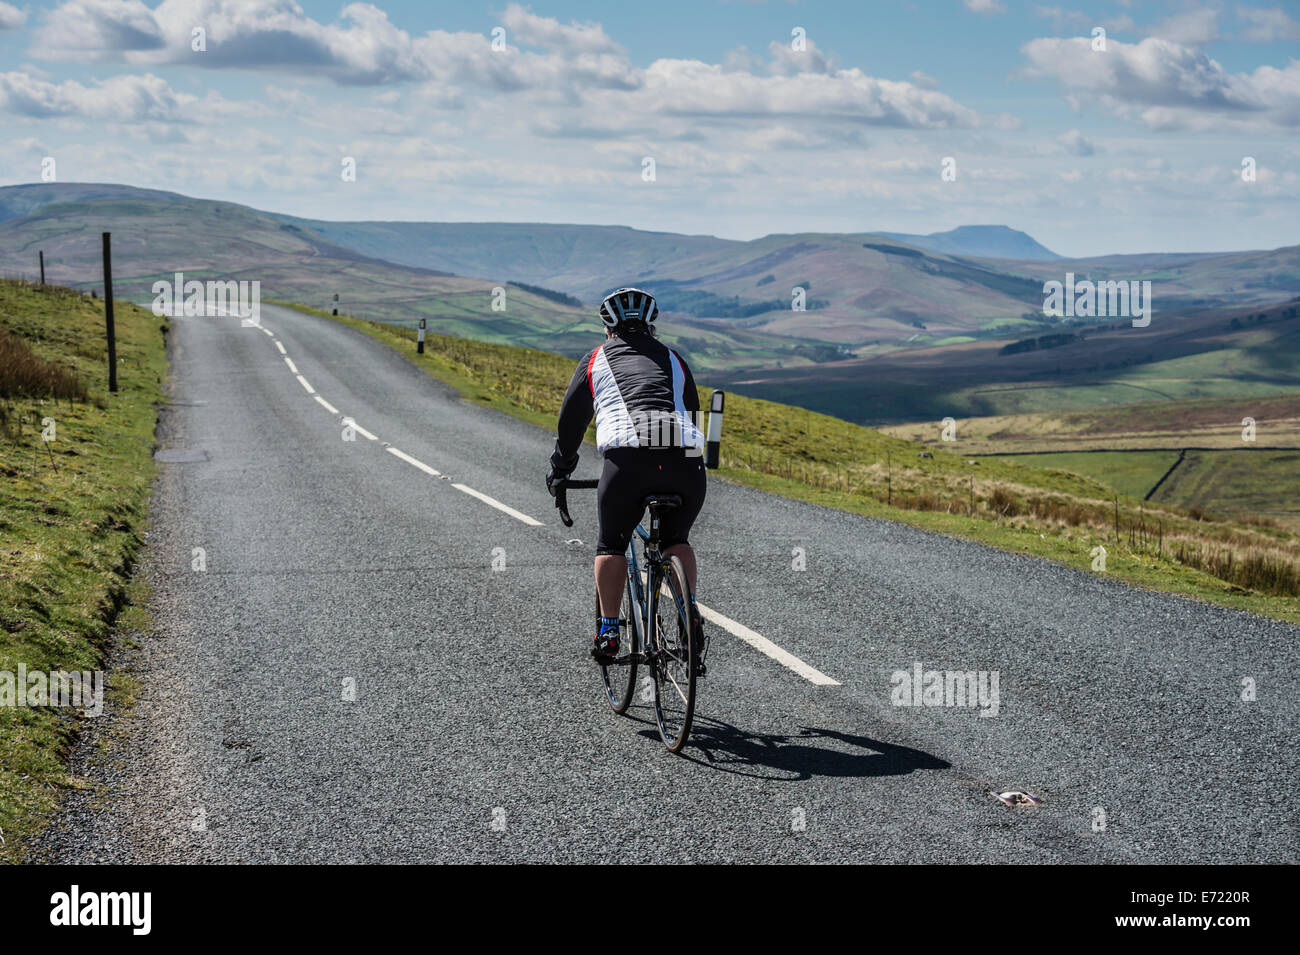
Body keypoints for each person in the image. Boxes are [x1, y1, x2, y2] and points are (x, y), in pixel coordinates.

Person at [546, 287, 707, 665]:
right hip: (685, 459)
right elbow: (693, 409)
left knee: (611, 545)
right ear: (650, 326)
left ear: (608, 328)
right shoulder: (674, 358)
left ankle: (609, 632)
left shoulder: (595, 359)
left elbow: (571, 422)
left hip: (629, 460)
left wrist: (561, 467)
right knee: (675, 538)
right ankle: (690, 614)